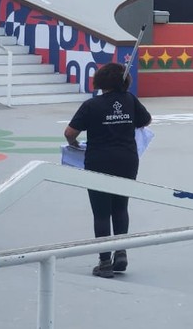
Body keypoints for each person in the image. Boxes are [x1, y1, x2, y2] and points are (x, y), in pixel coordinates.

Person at [63, 63, 152, 278]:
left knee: (101, 212)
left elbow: (69, 132)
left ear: (100, 81)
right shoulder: (130, 100)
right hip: (127, 160)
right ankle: (120, 252)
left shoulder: (91, 105)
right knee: (120, 208)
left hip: (99, 161)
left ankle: (104, 262)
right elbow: (146, 120)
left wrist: (74, 144)